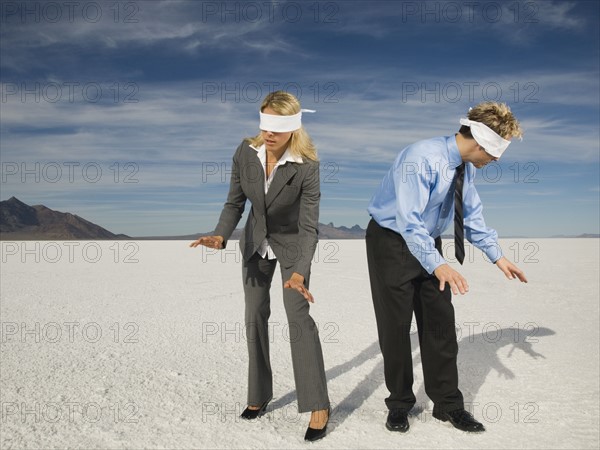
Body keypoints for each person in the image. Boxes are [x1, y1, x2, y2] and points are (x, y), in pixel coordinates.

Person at [365, 101, 528, 434]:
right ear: (480, 142)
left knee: (440, 322)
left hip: (426, 244)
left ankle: (448, 405)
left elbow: (472, 215)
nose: (496, 160)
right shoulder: (420, 158)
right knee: (395, 326)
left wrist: (498, 256)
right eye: (496, 153)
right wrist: (438, 265)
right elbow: (408, 221)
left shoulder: (463, 166)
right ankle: (399, 404)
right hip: (392, 241)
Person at [190, 91, 330, 441]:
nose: (268, 133)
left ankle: (317, 403)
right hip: (254, 243)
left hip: (292, 247)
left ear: (294, 127)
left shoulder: (307, 166)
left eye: (277, 126)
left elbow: (310, 226)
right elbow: (234, 203)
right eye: (264, 123)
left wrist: (300, 270)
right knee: (254, 316)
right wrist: (221, 236)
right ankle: (259, 395)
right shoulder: (244, 153)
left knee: (298, 318)